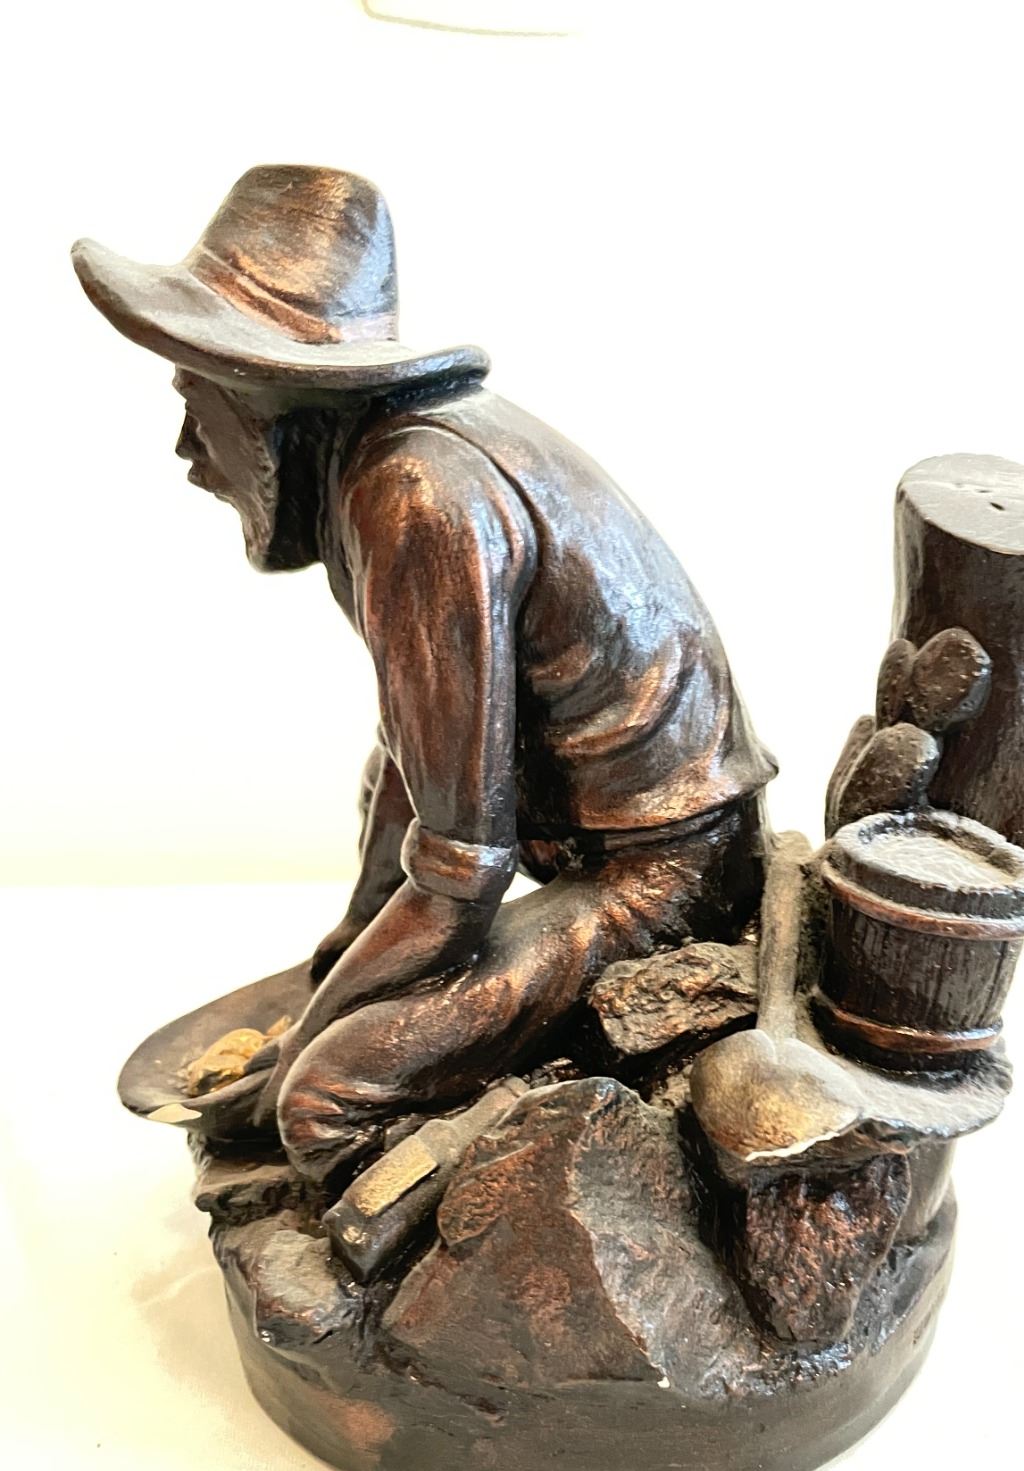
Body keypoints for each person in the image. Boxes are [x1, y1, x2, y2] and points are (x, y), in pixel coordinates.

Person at [74, 165, 776, 1188]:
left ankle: (523, 1193)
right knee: (344, 1011)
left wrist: (301, 1044)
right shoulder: (388, 470)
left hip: (665, 883)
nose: (188, 448)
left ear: (267, 400)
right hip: (606, 859)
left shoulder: (412, 496)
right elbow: (412, 773)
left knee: (319, 1102)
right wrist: (346, 952)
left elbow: (460, 869)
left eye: (198, 399)